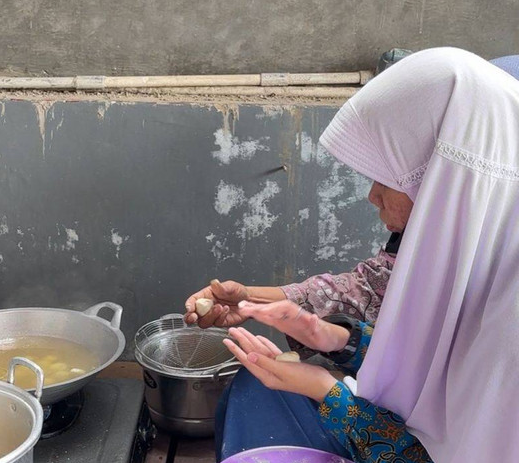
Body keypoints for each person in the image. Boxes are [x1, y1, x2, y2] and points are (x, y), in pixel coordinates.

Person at [171, 47, 519, 463]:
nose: (372, 197)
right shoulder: (467, 226)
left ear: (448, 176)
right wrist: (333, 339)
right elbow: (400, 326)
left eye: (387, 179)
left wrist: (328, 394)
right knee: (259, 389)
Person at [186, 52, 519, 336]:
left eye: (388, 180)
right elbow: (372, 289)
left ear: (441, 178)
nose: (373, 196)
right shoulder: (434, 233)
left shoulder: (505, 288)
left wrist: (329, 382)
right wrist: (249, 300)